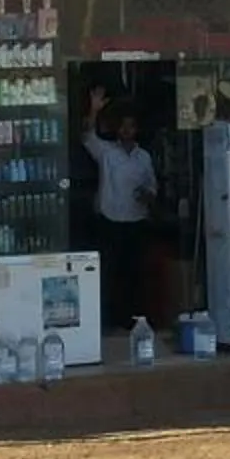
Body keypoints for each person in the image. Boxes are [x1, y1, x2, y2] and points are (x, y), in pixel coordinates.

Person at [81, 85, 159, 333]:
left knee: (134, 274)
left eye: (131, 126)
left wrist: (146, 195)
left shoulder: (143, 157)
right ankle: (109, 321)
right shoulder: (107, 152)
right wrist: (94, 110)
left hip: (136, 221)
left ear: (137, 130)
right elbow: (86, 136)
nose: (127, 130)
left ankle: (134, 320)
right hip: (110, 220)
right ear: (117, 129)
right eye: (123, 125)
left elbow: (152, 188)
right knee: (109, 274)